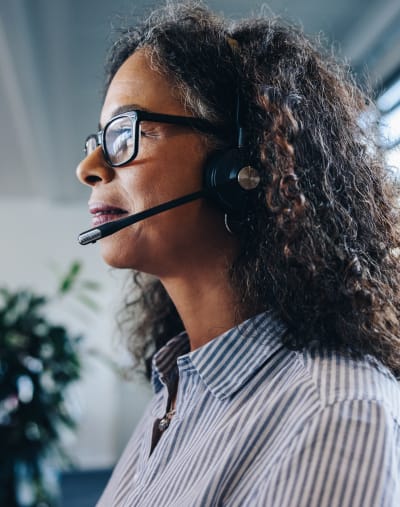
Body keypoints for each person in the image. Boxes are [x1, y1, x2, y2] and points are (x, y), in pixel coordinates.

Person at [76, 1, 400, 505]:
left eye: (126, 133)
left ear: (240, 165)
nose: (90, 168)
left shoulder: (333, 412)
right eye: (99, 139)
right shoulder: (178, 389)